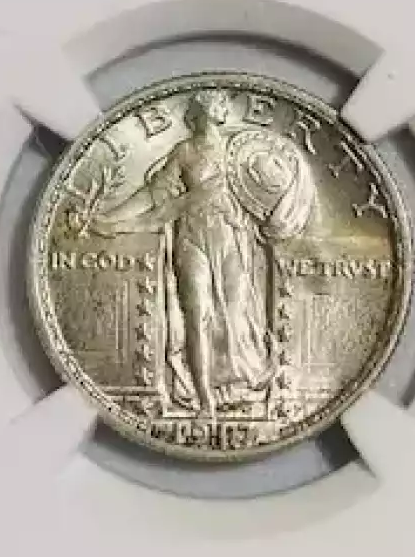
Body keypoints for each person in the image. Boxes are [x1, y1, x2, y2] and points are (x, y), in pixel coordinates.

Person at [89, 89, 312, 418]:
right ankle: (205, 400)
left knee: (235, 315)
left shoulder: (239, 149)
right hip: (192, 238)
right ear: (205, 109)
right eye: (220, 102)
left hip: (233, 238)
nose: (225, 106)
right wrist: (112, 219)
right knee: (197, 316)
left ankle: (238, 385)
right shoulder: (185, 152)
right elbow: (153, 195)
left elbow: (270, 187)